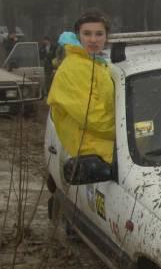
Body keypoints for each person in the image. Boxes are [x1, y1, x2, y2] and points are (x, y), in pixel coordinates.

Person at [47, 9, 115, 164]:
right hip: (95, 154)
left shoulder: (96, 64)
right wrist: (129, 132)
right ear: (78, 36)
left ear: (106, 37)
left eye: (99, 34)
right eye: (87, 34)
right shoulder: (74, 67)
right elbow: (94, 117)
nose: (93, 40)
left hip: (105, 148)